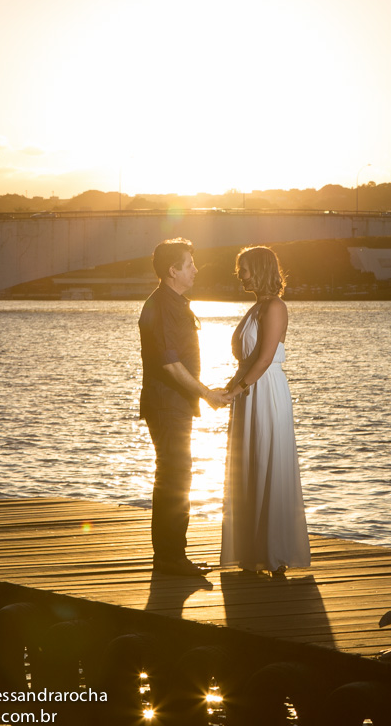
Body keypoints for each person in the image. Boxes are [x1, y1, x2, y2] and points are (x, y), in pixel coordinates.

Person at [218, 246, 311, 575]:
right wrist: (227, 390)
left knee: (267, 461)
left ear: (258, 269)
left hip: (266, 390)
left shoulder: (274, 307)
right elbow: (246, 361)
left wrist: (238, 389)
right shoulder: (256, 308)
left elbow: (265, 358)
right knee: (248, 466)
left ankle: (273, 553)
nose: (239, 274)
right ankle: (252, 552)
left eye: (243, 268)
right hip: (248, 391)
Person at [139, 239, 228, 576]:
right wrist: (207, 394)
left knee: (177, 477)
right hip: (166, 405)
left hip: (176, 405)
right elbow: (169, 365)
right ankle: (169, 558)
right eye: (189, 264)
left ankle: (173, 555)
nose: (195, 269)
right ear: (173, 270)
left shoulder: (174, 303)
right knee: (173, 478)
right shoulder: (159, 306)